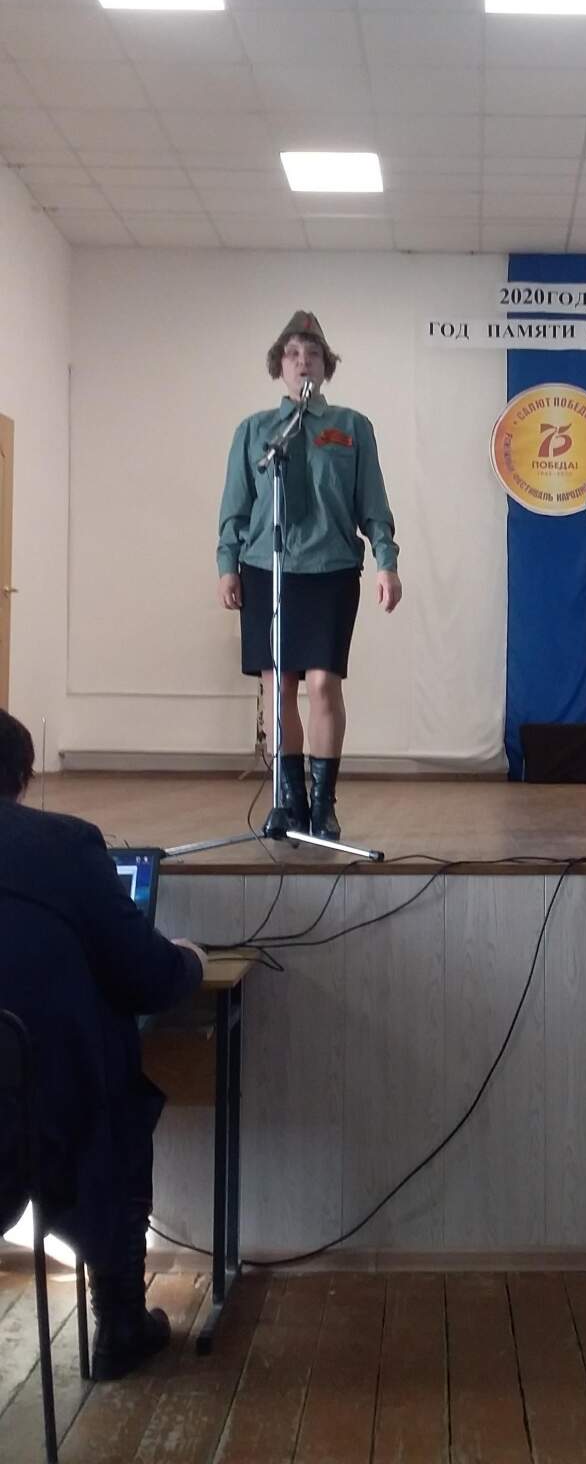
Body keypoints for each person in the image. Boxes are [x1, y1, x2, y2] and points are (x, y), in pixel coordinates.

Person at [0, 709, 207, 1380]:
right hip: (42, 1125)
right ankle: (118, 1322)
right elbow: (146, 977)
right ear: (23, 779)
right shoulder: (63, 846)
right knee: (106, 1098)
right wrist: (190, 962)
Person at [217, 310, 401, 842]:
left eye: (313, 354)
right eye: (294, 355)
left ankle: (323, 804)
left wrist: (386, 561)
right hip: (266, 568)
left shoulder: (352, 427)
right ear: (279, 366)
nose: (303, 363)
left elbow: (373, 503)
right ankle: (290, 802)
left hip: (330, 568)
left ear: (326, 366)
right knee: (279, 689)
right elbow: (235, 506)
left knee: (322, 683)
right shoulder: (255, 431)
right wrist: (227, 564)